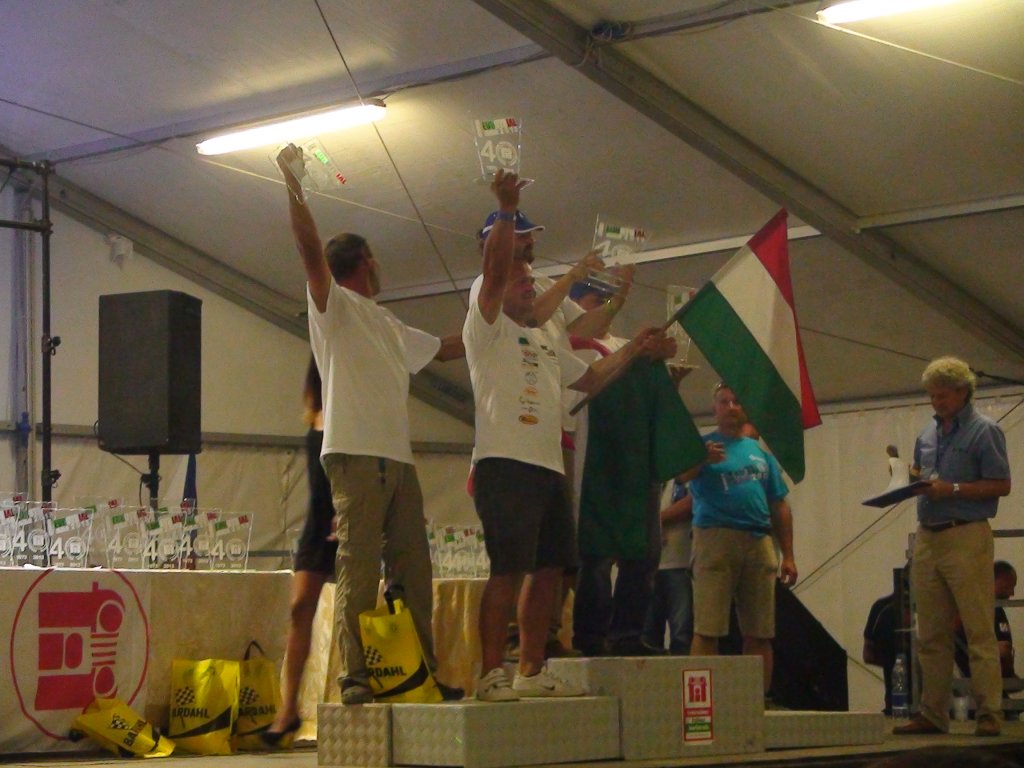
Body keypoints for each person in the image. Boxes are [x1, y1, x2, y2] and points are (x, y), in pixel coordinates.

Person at [465, 169, 665, 701]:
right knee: (508, 570)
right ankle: (491, 673)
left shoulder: (545, 338)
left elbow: (592, 377)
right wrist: (507, 209)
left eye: (533, 279)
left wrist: (634, 348)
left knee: (551, 568)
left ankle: (531, 669)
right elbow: (497, 273)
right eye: (521, 281)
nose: (529, 285)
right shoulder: (485, 322)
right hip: (504, 461)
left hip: (548, 463)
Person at [276, 144, 464, 705]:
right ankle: (355, 675)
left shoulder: (386, 323)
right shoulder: (332, 306)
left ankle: (418, 671)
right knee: (358, 564)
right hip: (353, 453)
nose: (380, 267)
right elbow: (308, 250)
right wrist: (293, 184)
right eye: (375, 259)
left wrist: (497, 322)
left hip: (397, 459)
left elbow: (447, 349)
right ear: (363, 261)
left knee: (413, 567)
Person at [893, 356, 1010, 738]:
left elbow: (1002, 484)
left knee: (978, 630)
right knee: (930, 633)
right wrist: (905, 481)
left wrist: (953, 489)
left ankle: (989, 715)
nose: (936, 402)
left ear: (963, 392)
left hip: (966, 535)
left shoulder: (985, 431)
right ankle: (933, 713)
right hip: (928, 536)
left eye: (942, 395)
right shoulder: (927, 433)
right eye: (931, 396)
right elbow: (921, 474)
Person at [567, 279, 678, 657]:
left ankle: (628, 632)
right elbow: (593, 377)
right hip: (595, 459)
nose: (606, 308)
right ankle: (591, 635)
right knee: (596, 555)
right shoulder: (570, 345)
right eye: (596, 301)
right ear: (575, 306)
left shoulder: (622, 344)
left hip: (635, 459)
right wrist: (640, 353)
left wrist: (659, 360)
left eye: (609, 301)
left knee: (645, 552)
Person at [681, 382, 797, 698]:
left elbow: (779, 504)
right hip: (715, 538)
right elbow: (681, 476)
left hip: (759, 540)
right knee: (708, 628)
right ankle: (701, 705)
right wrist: (701, 459)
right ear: (714, 408)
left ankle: (756, 703)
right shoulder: (701, 445)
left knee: (760, 631)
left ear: (745, 408)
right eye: (724, 402)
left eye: (736, 401)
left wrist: (788, 555)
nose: (731, 407)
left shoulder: (760, 453)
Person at [263, 357, 335, 744]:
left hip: (348, 516)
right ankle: (288, 708)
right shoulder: (317, 411)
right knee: (299, 608)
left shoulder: (352, 409)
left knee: (357, 610)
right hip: (319, 520)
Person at [642, 480, 694, 654]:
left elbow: (691, 503)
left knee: (682, 635)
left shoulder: (690, 474)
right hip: (650, 565)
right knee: (647, 636)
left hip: (681, 564)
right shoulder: (657, 479)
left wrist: (655, 522)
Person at [955, 560, 1018, 682]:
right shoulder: (969, 608)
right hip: (974, 678)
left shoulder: (997, 610)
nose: (1012, 593)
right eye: (1008, 586)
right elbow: (957, 643)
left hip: (995, 676)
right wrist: (992, 649)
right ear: (995, 580)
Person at [863, 566, 911, 716]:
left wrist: (893, 663)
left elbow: (868, 655)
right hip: (928, 708)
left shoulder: (881, 607)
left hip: (897, 704)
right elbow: (868, 655)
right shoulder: (883, 608)